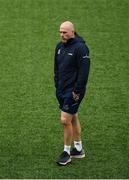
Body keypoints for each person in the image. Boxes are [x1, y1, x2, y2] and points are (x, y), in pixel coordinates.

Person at [54, 21, 90, 166]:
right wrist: (57, 83)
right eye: (60, 32)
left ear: (73, 32)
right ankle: (79, 149)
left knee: (64, 120)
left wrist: (77, 91)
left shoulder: (81, 48)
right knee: (73, 115)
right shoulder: (59, 47)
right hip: (61, 89)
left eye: (65, 32)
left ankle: (67, 152)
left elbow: (84, 72)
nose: (62, 35)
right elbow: (56, 67)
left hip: (74, 91)